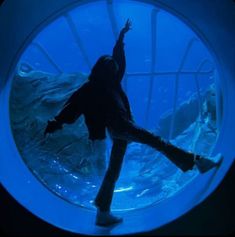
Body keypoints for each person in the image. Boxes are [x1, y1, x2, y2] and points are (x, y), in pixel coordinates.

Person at [44, 19, 223, 227]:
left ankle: (102, 212)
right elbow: (71, 108)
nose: (114, 68)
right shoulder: (90, 88)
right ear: (101, 70)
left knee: (114, 170)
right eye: (110, 66)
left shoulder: (112, 81)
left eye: (114, 67)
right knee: (157, 141)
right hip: (122, 127)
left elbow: (118, 59)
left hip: (120, 129)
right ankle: (198, 162)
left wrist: (121, 37)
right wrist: (55, 123)